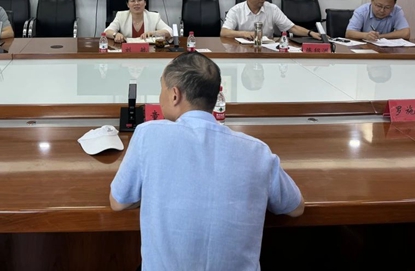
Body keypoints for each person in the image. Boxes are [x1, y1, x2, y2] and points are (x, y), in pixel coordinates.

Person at [110, 52, 304, 270]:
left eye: (161, 88)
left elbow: (119, 201)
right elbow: (295, 207)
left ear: (174, 95)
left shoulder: (149, 134)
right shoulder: (257, 151)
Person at [221, 0, 321, 40]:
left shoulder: (272, 9)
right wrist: (244, 34)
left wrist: (311, 33)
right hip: (242, 50)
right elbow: (224, 32)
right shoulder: (236, 10)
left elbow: (291, 28)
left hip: (266, 49)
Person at [104, 0, 172, 43]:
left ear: (145, 3)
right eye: (132, 1)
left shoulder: (154, 17)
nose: (136, 3)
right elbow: (107, 31)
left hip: (148, 51)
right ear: (128, 4)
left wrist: (152, 33)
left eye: (139, 0)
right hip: (127, 51)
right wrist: (115, 34)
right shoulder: (121, 16)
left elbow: (169, 31)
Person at [345, 0, 410, 41]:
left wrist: (380, 36)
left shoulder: (397, 11)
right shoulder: (361, 11)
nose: (382, 10)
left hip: (386, 49)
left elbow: (406, 33)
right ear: (372, 1)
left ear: (393, 5)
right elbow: (349, 33)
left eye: (387, 7)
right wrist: (366, 35)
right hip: (363, 48)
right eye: (379, 6)